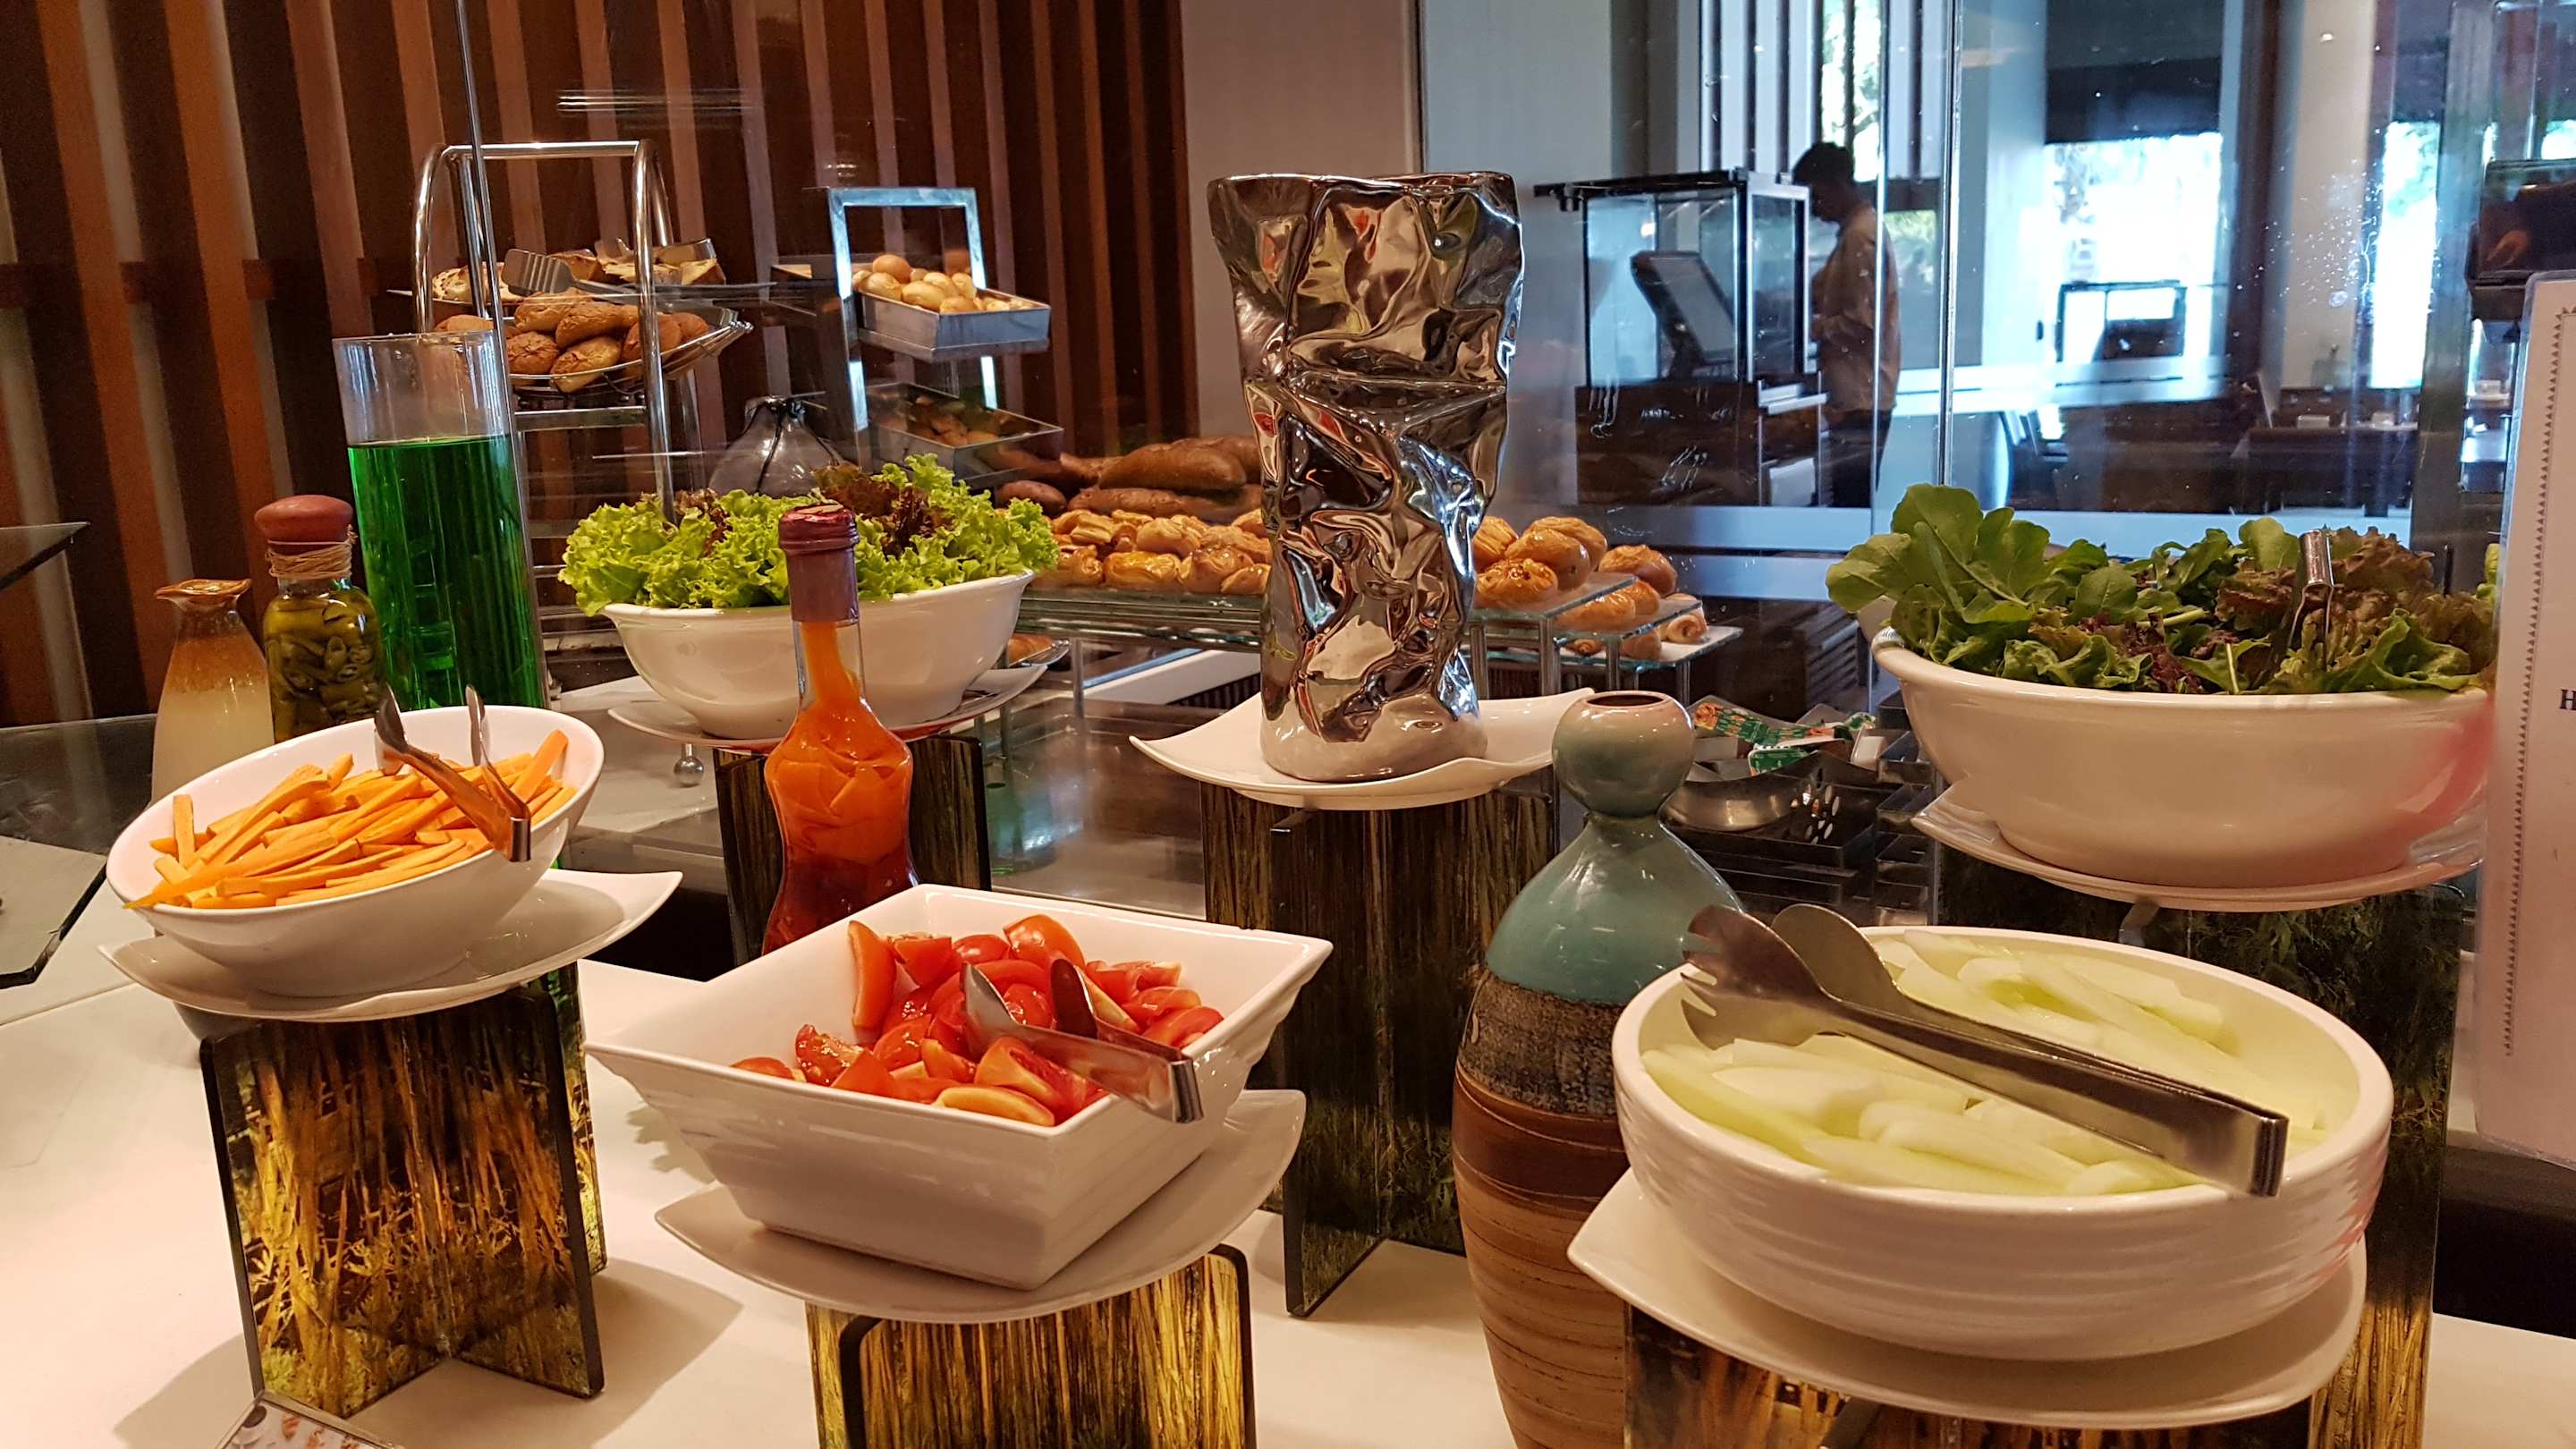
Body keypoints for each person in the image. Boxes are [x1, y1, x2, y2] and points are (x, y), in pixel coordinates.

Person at [1792, 143, 1899, 507]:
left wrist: (1809, 331)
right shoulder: (1858, 231)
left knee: (1851, 508)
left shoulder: (1860, 236)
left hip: (1859, 398)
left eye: (1817, 196)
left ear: (1838, 184)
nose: (1814, 209)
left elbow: (1862, 323)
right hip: (1860, 396)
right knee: (1849, 502)